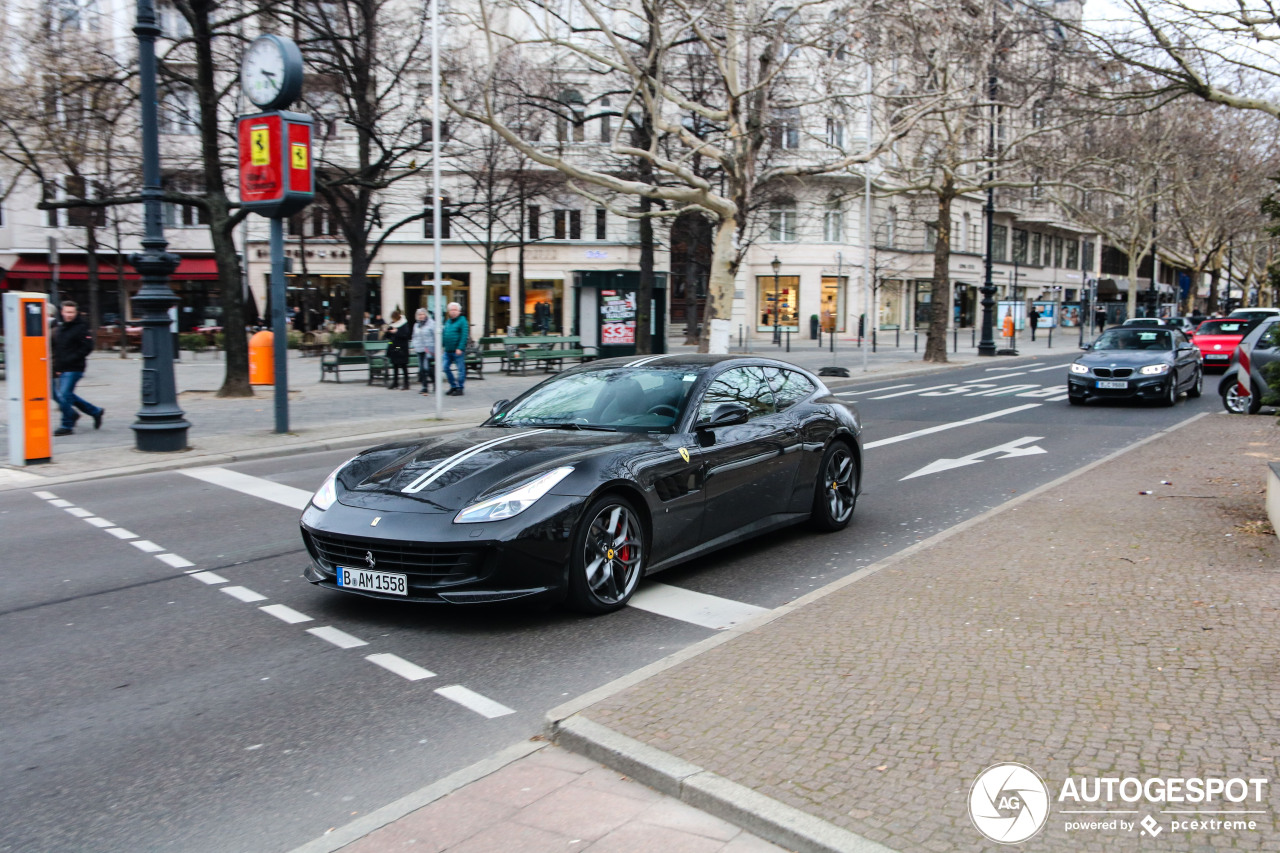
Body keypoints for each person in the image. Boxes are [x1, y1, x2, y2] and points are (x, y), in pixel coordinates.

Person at [50, 300, 104, 437]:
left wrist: (71, 359)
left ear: (76, 312)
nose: (69, 315)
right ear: (62, 312)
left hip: (75, 367)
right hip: (62, 368)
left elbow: (87, 347)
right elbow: (59, 350)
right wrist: (57, 367)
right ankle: (95, 411)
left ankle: (66, 424)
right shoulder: (61, 328)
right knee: (64, 395)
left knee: (63, 395)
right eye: (67, 312)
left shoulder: (81, 327)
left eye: (72, 312)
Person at [441, 301, 469, 396]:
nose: (453, 311)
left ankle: (460, 388)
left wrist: (460, 347)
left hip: (458, 350)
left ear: (459, 311)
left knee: (460, 369)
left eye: (455, 310)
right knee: (445, 367)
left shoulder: (462, 320)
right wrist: (442, 346)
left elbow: (464, 335)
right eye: (451, 310)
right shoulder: (448, 321)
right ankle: (453, 386)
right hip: (448, 350)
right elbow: (444, 334)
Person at [410, 307, 435, 395]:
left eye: (422, 314)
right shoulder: (416, 325)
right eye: (419, 315)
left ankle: (434, 381)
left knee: (426, 368)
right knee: (422, 369)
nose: (421, 316)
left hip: (428, 349)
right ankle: (425, 387)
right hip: (419, 348)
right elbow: (414, 336)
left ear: (426, 315)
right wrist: (413, 345)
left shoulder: (431, 323)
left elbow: (435, 335)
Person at [384, 310, 412, 389]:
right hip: (394, 347)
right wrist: (388, 331)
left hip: (401, 347)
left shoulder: (404, 323)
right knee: (395, 364)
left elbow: (406, 335)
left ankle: (406, 383)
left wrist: (396, 332)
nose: (393, 320)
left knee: (403, 364)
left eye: (394, 319)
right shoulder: (392, 323)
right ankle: (395, 382)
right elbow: (388, 336)